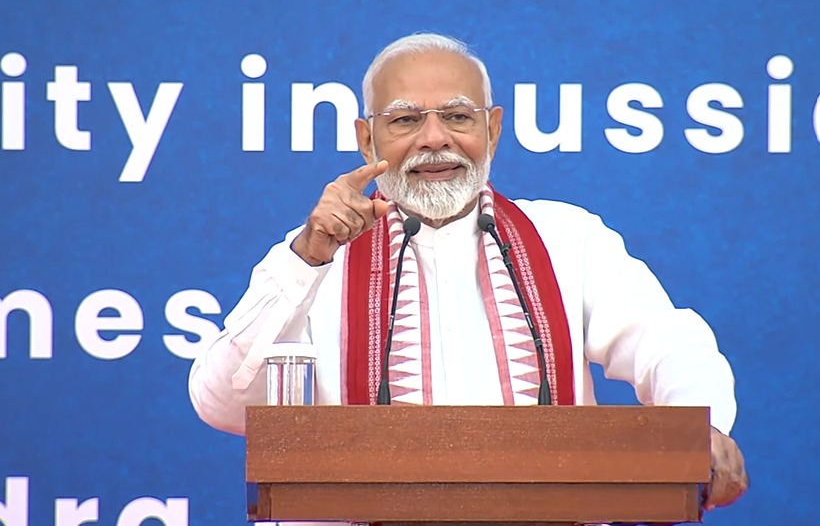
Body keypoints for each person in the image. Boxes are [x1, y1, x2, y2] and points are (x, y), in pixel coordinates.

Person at [188, 32, 748, 514]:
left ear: (493, 129)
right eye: (406, 119)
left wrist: (701, 425)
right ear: (365, 139)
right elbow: (222, 402)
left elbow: (667, 343)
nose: (435, 138)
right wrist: (307, 261)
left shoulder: (565, 237)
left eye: (457, 116)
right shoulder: (315, 256)